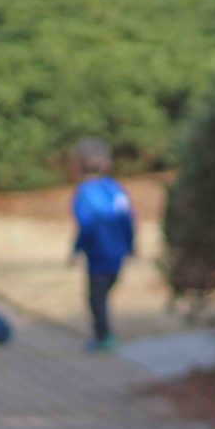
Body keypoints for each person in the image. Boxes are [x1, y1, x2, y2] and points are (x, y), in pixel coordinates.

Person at [69, 138, 134, 352]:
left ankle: (103, 337)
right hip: (117, 253)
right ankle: (105, 334)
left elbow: (86, 225)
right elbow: (128, 219)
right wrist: (130, 244)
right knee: (103, 296)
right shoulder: (116, 189)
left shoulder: (84, 193)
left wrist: (76, 249)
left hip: (98, 257)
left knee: (96, 298)